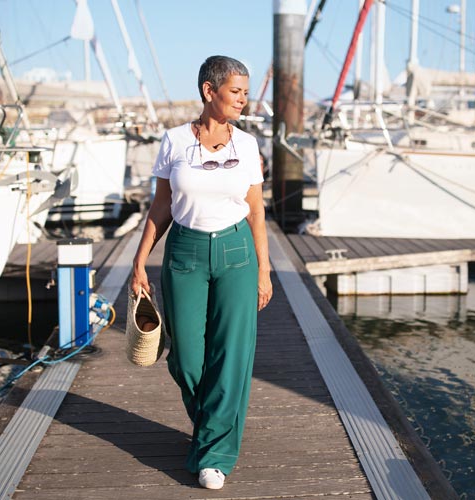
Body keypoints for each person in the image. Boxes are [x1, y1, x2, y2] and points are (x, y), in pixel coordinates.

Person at [131, 55, 272, 490]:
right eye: (236, 92)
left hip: (236, 252)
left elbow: (255, 211)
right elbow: (161, 206)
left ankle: (215, 453)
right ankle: (213, 428)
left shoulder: (246, 145)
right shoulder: (174, 141)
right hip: (185, 253)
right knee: (188, 357)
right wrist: (139, 262)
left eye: (246, 93)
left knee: (231, 354)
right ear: (209, 92)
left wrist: (265, 271)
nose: (243, 100)